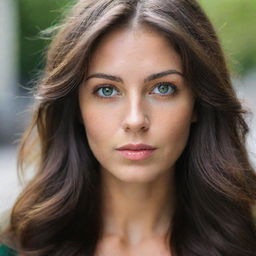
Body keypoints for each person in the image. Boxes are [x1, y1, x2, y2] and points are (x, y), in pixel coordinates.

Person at [1, 0, 256, 255]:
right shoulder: (18, 247)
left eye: (163, 88)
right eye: (107, 90)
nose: (135, 120)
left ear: (197, 103)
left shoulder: (245, 242)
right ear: (76, 107)